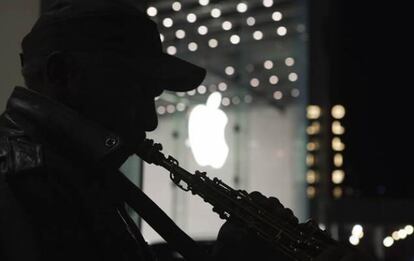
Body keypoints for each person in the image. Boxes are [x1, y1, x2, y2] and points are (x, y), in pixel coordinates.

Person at [0, 0, 374, 260]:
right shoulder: (21, 179)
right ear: (60, 74)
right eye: (135, 91)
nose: (150, 121)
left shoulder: (73, 172)